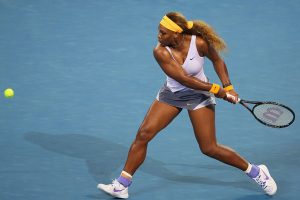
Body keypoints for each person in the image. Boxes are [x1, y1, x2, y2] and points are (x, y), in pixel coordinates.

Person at [97, 12, 277, 199]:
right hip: (172, 95)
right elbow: (184, 79)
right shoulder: (159, 51)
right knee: (143, 134)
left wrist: (228, 86)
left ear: (176, 34)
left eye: (163, 33)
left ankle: (256, 172)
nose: (158, 36)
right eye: (159, 32)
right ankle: (121, 185)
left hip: (200, 98)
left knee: (209, 148)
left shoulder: (199, 43)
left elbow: (217, 60)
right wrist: (218, 90)